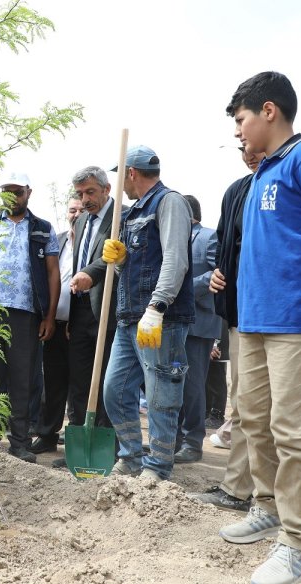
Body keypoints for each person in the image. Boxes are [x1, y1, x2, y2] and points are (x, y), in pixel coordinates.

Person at [216, 71, 301, 584]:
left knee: (295, 431)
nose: (239, 131)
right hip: (252, 318)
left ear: (268, 110)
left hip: (296, 316)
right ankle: (268, 506)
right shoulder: (259, 176)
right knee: (255, 420)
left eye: (242, 119)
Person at [101, 145, 195, 482]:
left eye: (120, 174)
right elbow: (141, 265)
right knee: (115, 389)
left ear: (131, 173)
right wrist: (121, 260)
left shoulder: (169, 203)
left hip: (160, 319)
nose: (121, 182)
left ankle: (157, 466)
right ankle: (131, 457)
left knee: (160, 396)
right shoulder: (132, 212)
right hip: (130, 318)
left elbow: (175, 260)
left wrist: (157, 306)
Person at [0, 173, 60, 464]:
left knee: (22, 379)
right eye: (6, 191)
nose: (11, 197)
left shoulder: (43, 229)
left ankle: (19, 441)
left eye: (17, 191)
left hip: (27, 315)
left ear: (29, 192)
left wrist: (50, 315)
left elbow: (53, 272)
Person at [52, 166, 122, 469]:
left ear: (106, 189)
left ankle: (110, 446)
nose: (85, 199)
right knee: (79, 381)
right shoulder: (80, 221)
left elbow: (108, 260)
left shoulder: (122, 217)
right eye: (80, 193)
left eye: (90, 192)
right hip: (79, 312)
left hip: (108, 310)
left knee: (108, 381)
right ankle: (79, 444)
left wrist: (88, 276)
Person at [30, 195, 83, 454]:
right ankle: (47, 435)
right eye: (72, 209)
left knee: (78, 386)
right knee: (52, 383)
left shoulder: (94, 242)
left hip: (80, 327)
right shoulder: (58, 239)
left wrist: (78, 318)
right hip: (54, 323)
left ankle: (76, 439)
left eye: (81, 209)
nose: (76, 213)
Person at [174, 195, 222, 464]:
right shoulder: (171, 238)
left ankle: (193, 442)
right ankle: (174, 441)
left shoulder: (209, 237)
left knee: (192, 386)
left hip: (199, 322)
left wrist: (184, 291)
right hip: (173, 323)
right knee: (173, 384)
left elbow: (219, 272)